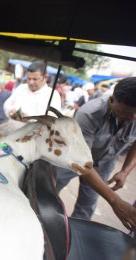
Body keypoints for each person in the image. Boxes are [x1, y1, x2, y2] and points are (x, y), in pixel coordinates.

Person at [56, 77, 136, 230]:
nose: (131, 118)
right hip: (72, 158)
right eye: (125, 112)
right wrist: (115, 201)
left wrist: (124, 171)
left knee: (87, 205)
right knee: (49, 191)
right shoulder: (89, 113)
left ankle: (74, 238)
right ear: (112, 99)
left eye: (135, 114)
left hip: (105, 162)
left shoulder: (133, 115)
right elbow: (82, 162)